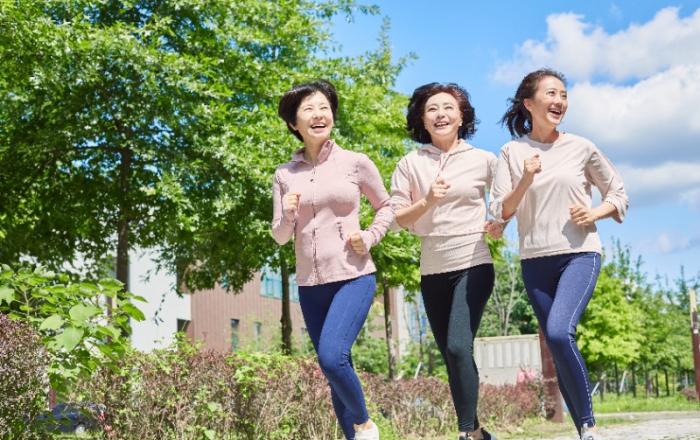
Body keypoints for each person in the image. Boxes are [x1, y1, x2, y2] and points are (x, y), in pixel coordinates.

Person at [491, 68, 629, 440]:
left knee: (558, 330)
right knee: (556, 342)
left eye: (564, 95)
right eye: (551, 93)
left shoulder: (581, 147)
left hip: (579, 253)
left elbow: (618, 193)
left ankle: (589, 425)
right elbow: (501, 211)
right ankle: (583, 428)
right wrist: (525, 178)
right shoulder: (512, 152)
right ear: (528, 103)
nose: (559, 101)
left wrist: (595, 213)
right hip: (534, 261)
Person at [271, 79, 393, 440]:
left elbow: (386, 207)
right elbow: (280, 235)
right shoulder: (284, 174)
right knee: (335, 369)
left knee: (331, 357)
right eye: (308, 109)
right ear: (293, 123)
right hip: (310, 285)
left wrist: (369, 236)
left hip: (353, 275)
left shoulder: (355, 163)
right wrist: (288, 214)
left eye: (324, 107)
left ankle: (365, 425)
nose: (318, 114)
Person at [390, 82, 501, 440]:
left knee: (457, 345)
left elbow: (508, 199)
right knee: (452, 356)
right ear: (422, 120)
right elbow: (398, 219)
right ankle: (479, 432)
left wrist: (500, 221)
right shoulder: (410, 164)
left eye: (448, 107)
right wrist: (428, 201)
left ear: (461, 116)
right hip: (432, 270)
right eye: (432, 109)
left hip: (473, 261)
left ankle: (465, 432)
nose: (441, 114)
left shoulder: (483, 159)